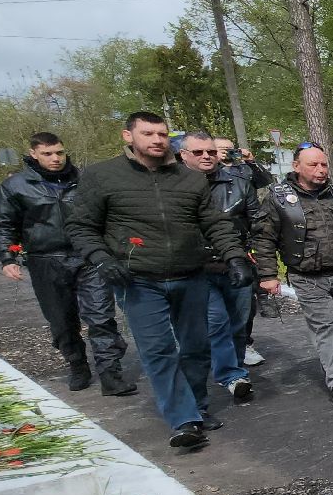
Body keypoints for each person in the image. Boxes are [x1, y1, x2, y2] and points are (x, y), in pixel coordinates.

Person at [68, 111, 251, 449]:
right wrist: (102, 258)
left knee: (196, 347)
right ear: (128, 136)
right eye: (148, 133)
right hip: (138, 279)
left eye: (162, 134)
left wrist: (235, 257)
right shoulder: (102, 176)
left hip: (190, 274)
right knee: (159, 350)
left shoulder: (190, 179)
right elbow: (81, 226)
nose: (156, 140)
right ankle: (184, 420)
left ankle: (197, 406)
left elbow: (215, 224)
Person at [0, 132, 133, 396]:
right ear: (33, 154)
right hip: (46, 259)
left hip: (88, 256)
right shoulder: (15, 186)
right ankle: (77, 364)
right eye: (47, 154)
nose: (55, 158)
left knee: (101, 316)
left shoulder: (85, 180)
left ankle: (110, 373)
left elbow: (108, 214)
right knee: (61, 320)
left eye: (59, 152)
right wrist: (7, 257)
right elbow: (4, 224)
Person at [251, 142, 333, 405]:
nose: (321, 170)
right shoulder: (279, 198)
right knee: (326, 326)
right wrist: (268, 275)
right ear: (296, 166)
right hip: (307, 276)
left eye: (324, 164)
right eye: (313, 164)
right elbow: (264, 238)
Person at [177, 134, 262, 404]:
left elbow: (257, 222)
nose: (206, 156)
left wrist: (255, 255)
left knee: (240, 323)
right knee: (217, 323)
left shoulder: (240, 183)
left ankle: (235, 370)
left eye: (211, 151)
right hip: (199, 269)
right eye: (198, 152)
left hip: (237, 262)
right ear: (183, 155)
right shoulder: (174, 186)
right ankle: (231, 375)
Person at [217, 138, 269, 366]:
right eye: (222, 150)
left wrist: (251, 161)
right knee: (215, 310)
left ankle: (244, 343)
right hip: (209, 250)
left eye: (231, 149)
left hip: (241, 244)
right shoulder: (199, 176)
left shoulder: (243, 173)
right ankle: (221, 352)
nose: (227, 153)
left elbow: (264, 182)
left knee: (245, 303)